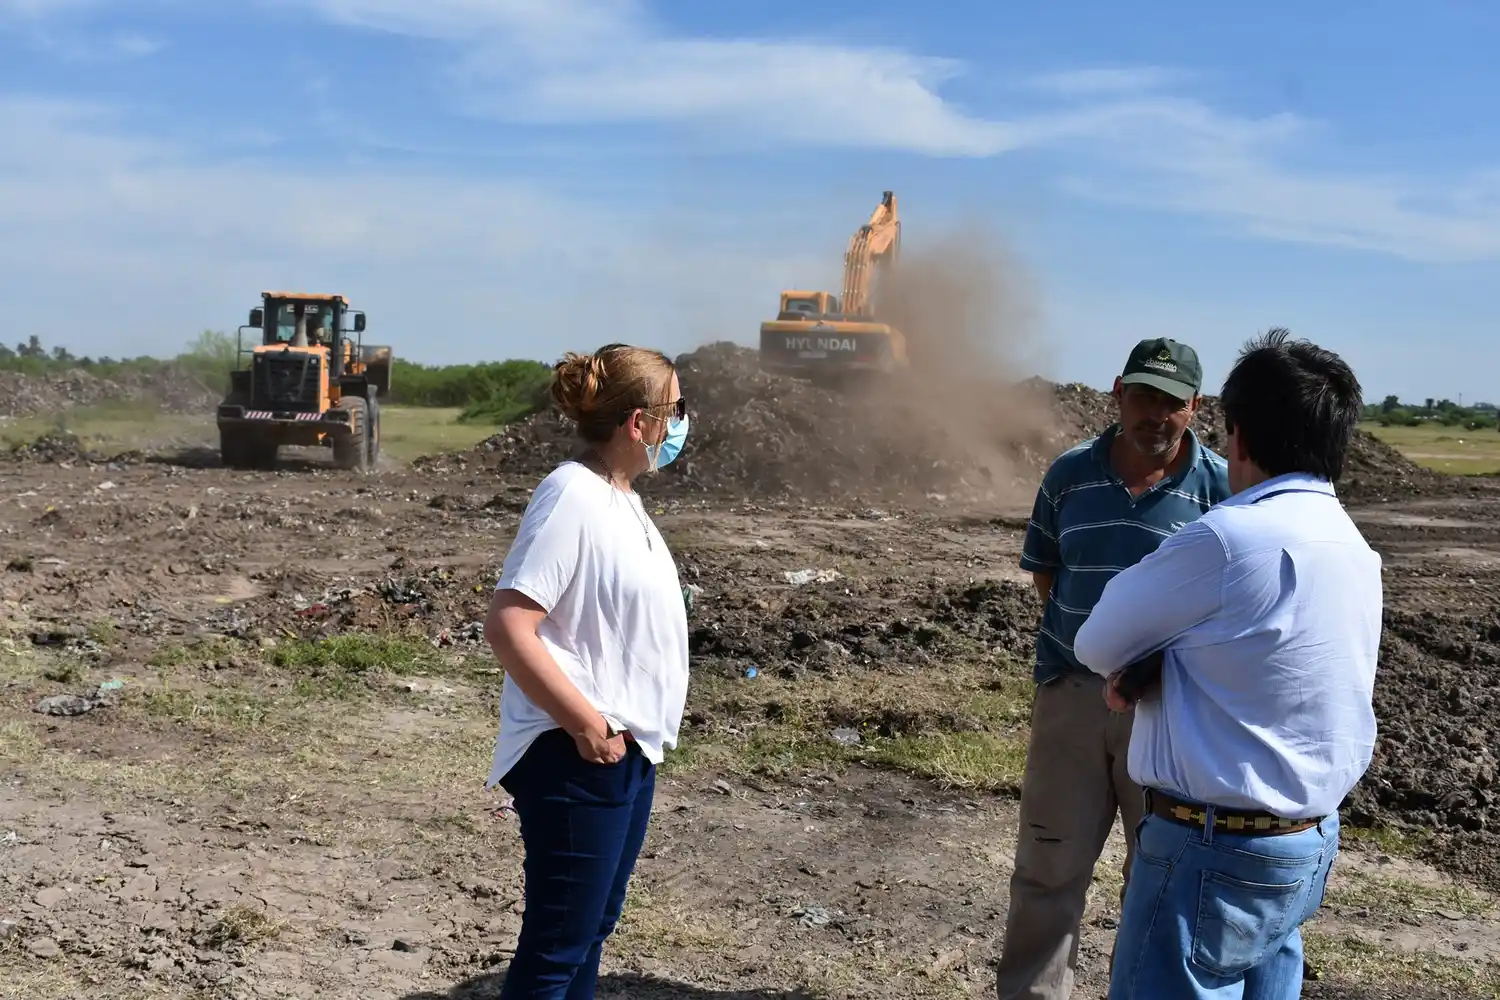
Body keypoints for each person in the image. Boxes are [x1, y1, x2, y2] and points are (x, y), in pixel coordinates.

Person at [1072, 329, 1379, 1000]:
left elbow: (1097, 642)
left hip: (1209, 850)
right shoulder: (1353, 547)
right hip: (1304, 845)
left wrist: (1149, 663)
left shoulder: (1226, 539)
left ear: (1236, 435)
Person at [997, 337, 1232, 1000]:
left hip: (1168, 712)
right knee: (1048, 864)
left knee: (1159, 873)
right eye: (1143, 396)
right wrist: (1093, 650)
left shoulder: (1218, 488)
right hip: (1072, 697)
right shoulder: (1071, 474)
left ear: (1195, 407)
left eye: (1171, 401)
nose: (1155, 413)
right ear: (1117, 394)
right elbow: (1046, 569)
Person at [482, 343, 692, 1000]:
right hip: (577, 756)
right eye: (677, 409)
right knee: (555, 950)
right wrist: (588, 725)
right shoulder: (571, 494)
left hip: (624, 754)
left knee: (588, 931)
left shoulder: (619, 497)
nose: (683, 423)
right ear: (639, 421)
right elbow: (510, 623)